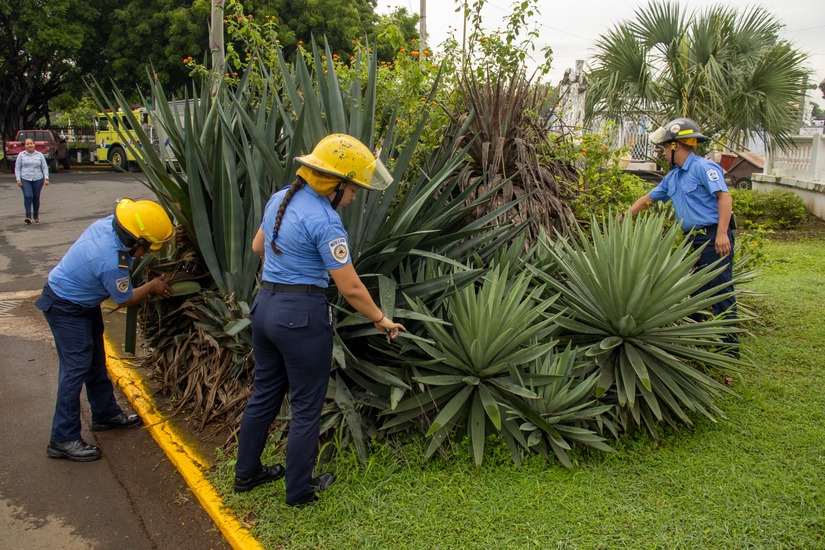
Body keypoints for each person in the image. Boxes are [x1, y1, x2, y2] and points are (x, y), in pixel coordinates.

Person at [234, 134, 406, 506]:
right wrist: (381, 318)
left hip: (265, 307)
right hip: (301, 318)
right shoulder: (327, 222)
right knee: (307, 406)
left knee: (264, 395)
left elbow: (258, 247)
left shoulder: (281, 198)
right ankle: (298, 491)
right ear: (335, 184)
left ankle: (246, 473)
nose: (355, 197)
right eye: (353, 188)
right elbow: (351, 288)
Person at [36, 198, 177, 462]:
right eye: (147, 248)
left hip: (81, 303)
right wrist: (153, 286)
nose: (146, 253)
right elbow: (125, 298)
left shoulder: (110, 225)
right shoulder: (110, 260)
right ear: (135, 241)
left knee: (94, 361)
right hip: (65, 308)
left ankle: (105, 414)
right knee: (75, 370)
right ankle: (63, 438)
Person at [627, 117, 738, 356]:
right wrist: (623, 218)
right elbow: (648, 199)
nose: (663, 152)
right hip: (692, 239)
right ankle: (698, 340)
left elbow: (724, 198)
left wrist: (721, 234)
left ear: (675, 146)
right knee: (695, 290)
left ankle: (730, 349)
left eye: (665, 148)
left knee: (720, 289)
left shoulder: (703, 168)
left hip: (712, 237)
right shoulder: (673, 177)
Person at [15, 137, 49, 224]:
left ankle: (36, 216)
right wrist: (18, 179)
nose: (29, 145)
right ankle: (28, 216)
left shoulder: (39, 155)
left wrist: (46, 178)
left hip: (38, 178)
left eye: (31, 143)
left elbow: (44, 167)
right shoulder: (21, 155)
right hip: (25, 178)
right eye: (27, 144)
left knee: (36, 197)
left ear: (34, 144)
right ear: (25, 145)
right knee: (28, 196)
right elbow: (17, 168)